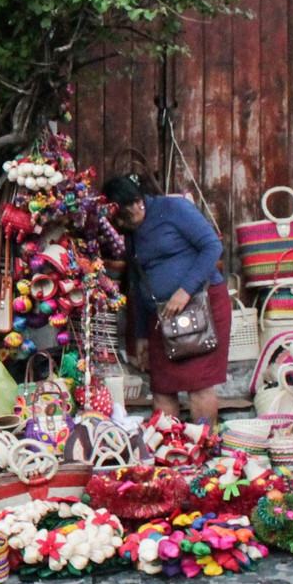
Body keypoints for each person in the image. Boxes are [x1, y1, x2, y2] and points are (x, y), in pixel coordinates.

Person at [104, 173, 230, 427]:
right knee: (162, 388)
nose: (124, 224)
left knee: (199, 386)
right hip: (162, 317)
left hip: (201, 307)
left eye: (127, 217)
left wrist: (185, 290)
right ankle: (171, 446)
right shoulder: (131, 232)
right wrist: (141, 334)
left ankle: (205, 444)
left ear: (138, 201)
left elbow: (212, 247)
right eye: (118, 222)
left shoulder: (175, 208)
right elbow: (138, 281)